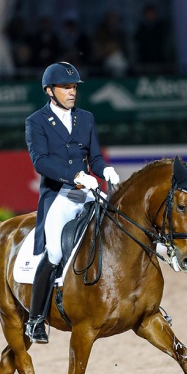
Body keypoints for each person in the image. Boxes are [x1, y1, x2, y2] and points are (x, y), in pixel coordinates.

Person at [24, 61, 120, 343]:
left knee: (119, 229)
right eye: (66, 87)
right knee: (54, 251)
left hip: (87, 190)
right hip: (59, 195)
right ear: (49, 90)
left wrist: (105, 171)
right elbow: (40, 162)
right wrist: (76, 176)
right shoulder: (36, 122)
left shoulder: (86, 118)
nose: (72, 92)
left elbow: (96, 157)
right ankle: (36, 318)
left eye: (74, 87)